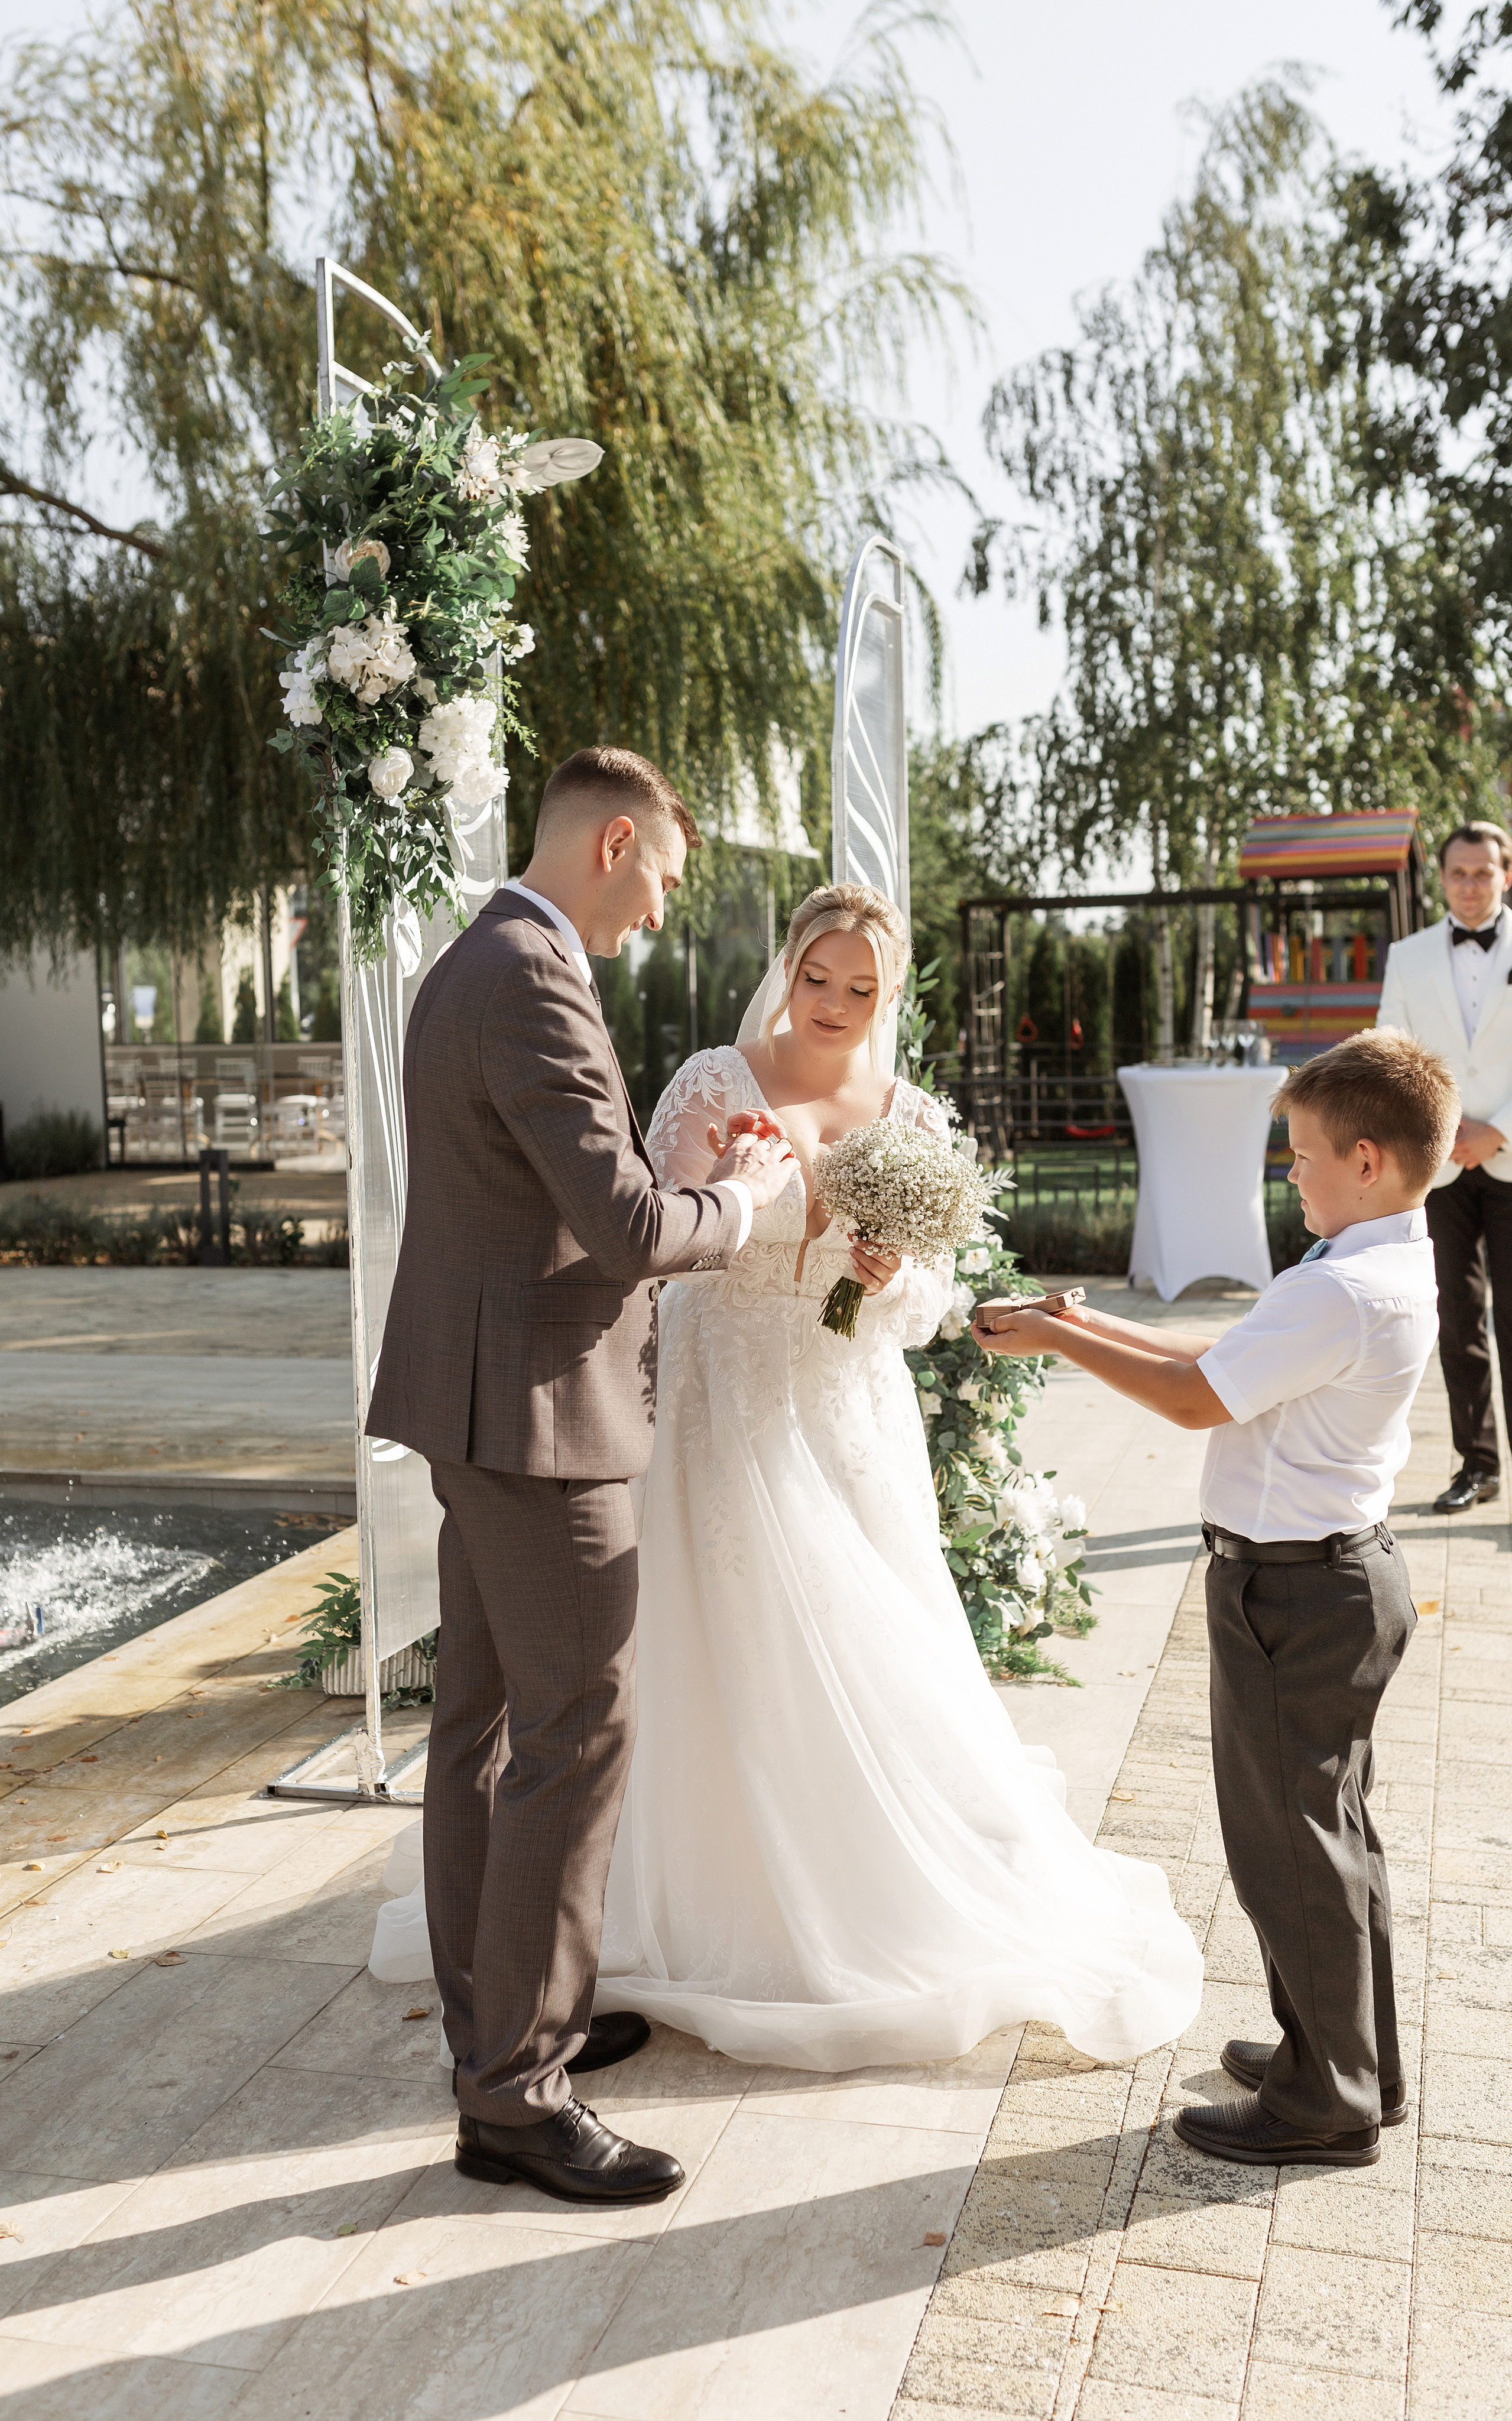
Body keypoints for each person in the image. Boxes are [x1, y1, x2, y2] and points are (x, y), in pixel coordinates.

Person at [593, 882, 1203, 2072]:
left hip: (848, 1412)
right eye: (817, 976)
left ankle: (873, 1874)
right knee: (727, 1641)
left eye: (860, 988)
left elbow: (935, 1303)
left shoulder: (908, 1111)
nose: (832, 1003)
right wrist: (741, 1195)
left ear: (887, 992)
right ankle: (719, 1892)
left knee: (875, 1641)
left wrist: (883, 1276)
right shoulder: (713, 1084)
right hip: (723, 1412)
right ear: (787, 964)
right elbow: (655, 1245)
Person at [366, 745, 796, 2209]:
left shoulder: (469, 961)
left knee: (485, 1727)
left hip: (481, 1397)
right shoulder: (533, 976)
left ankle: (504, 2029)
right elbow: (619, 1227)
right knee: (577, 1730)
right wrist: (746, 1201)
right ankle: (517, 2094)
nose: (661, 914)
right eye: (664, 878)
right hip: (541, 1414)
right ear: (615, 842)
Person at [974, 1028, 1456, 2169]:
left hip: (1296, 1595)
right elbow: (1232, 1358)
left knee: (1285, 1845)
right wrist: (1084, 1323)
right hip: (1335, 1580)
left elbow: (1198, 1402)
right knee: (1330, 1835)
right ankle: (1351, 2058)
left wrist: (1048, 1342)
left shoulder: (1343, 1287)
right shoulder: (1370, 1266)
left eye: (1300, 1154)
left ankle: (1321, 2102)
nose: (1288, 1172)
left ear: (1370, 1160)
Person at [1377, 819, 1512, 1512]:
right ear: (1442, 878)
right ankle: (1476, 1464)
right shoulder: (1407, 956)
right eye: (1456, 873)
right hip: (1443, 1162)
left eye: (1481, 873)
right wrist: (1445, 1127)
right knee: (1457, 1320)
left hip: (1511, 1155)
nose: (1468, 886)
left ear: (1505, 875)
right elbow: (1390, 1052)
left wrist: (1499, 1129)